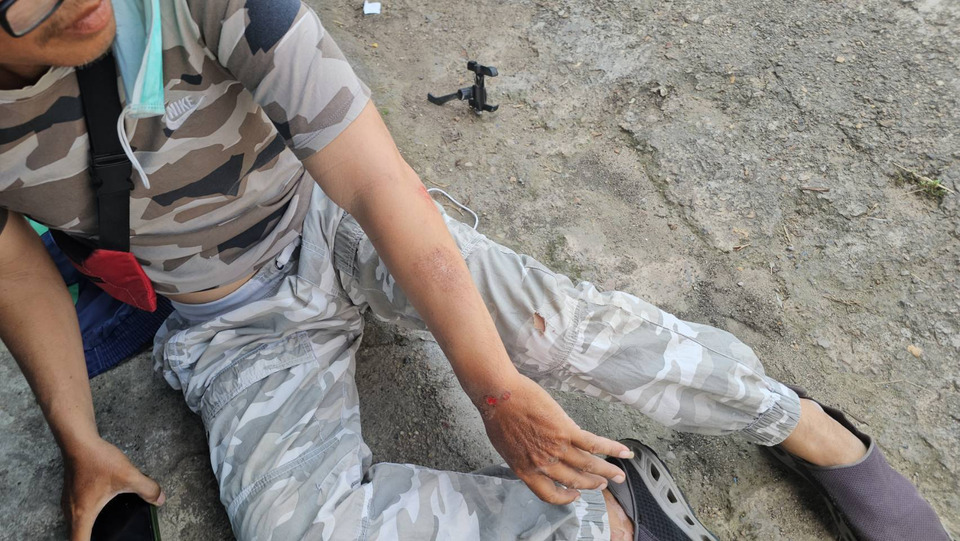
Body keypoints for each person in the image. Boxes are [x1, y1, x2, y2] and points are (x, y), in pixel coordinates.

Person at [0, 1, 950, 540]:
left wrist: (494, 388)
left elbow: (375, 182)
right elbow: (16, 267)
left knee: (555, 329)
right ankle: (606, 513)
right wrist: (80, 439)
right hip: (230, 321)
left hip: (332, 217)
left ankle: (803, 424)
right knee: (295, 528)